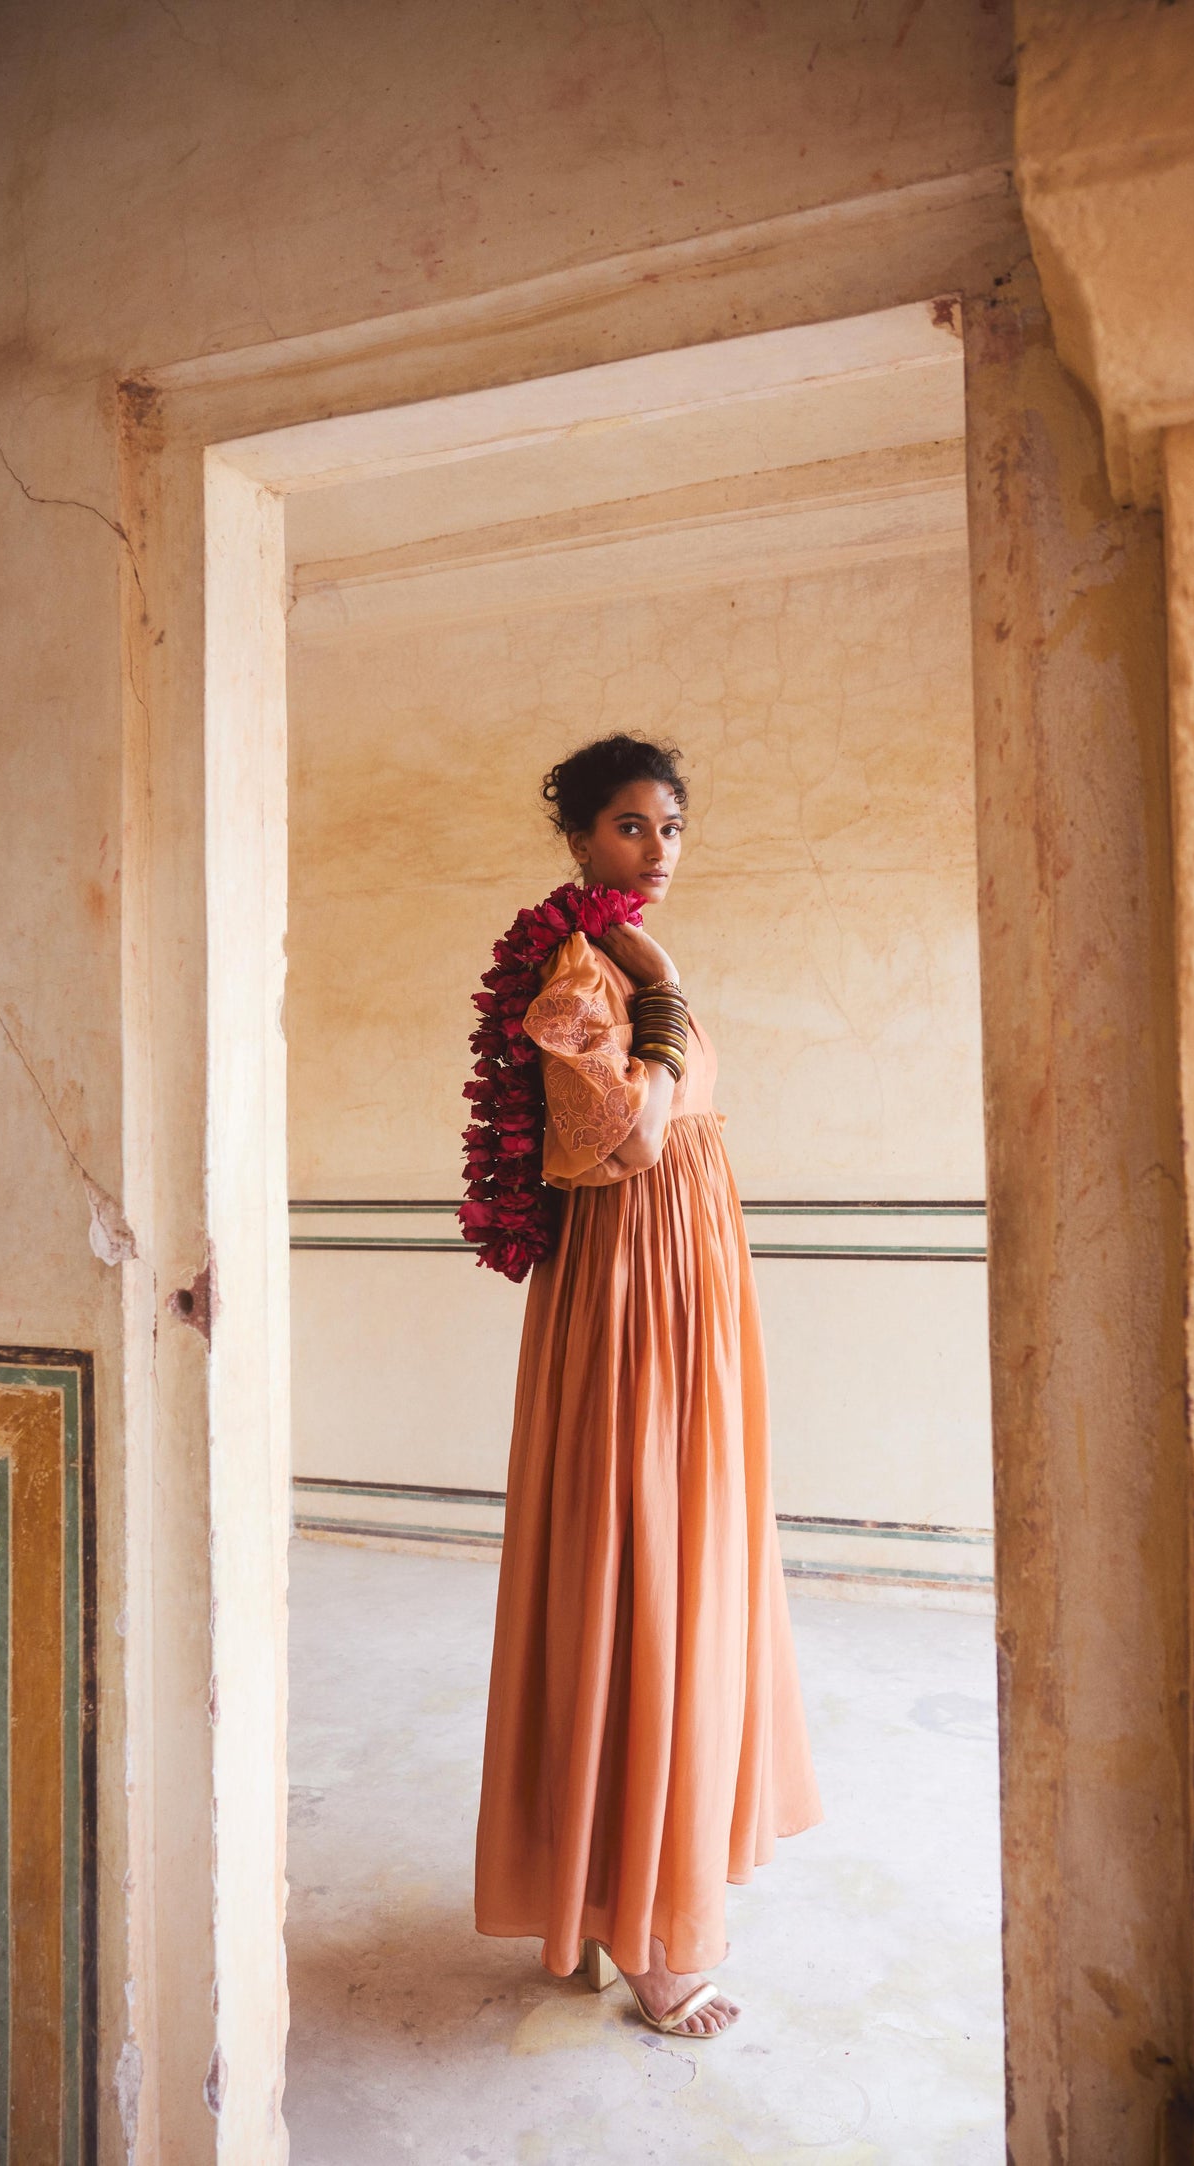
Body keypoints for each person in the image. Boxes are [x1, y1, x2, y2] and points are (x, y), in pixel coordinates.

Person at [473, 732, 821, 2038]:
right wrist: (665, 990)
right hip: (630, 1291)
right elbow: (633, 1133)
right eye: (629, 827)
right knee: (644, 1558)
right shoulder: (582, 969)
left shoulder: (609, 955)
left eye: (670, 828)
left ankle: (619, 1890)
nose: (657, 851)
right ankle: (651, 1932)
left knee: (681, 1556)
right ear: (575, 837)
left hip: (681, 1285)